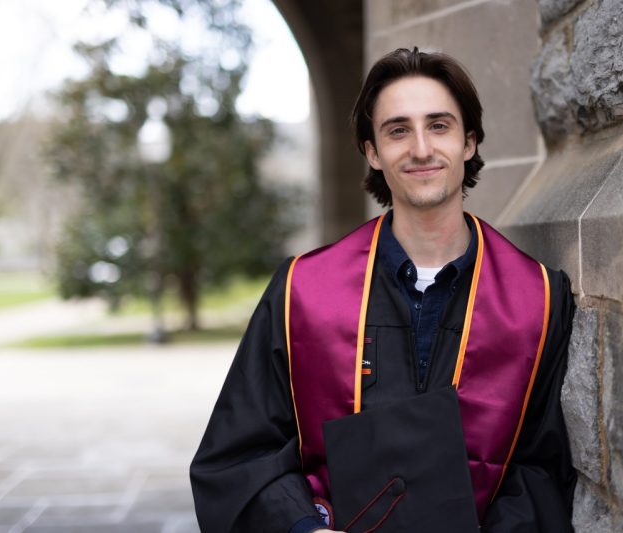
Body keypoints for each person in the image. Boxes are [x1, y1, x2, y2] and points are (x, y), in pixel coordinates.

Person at [190, 47, 576, 532]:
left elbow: (544, 468)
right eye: (397, 130)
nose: (420, 148)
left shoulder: (537, 299)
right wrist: (302, 528)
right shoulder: (302, 294)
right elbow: (239, 455)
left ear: (469, 142)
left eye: (439, 126)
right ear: (372, 151)